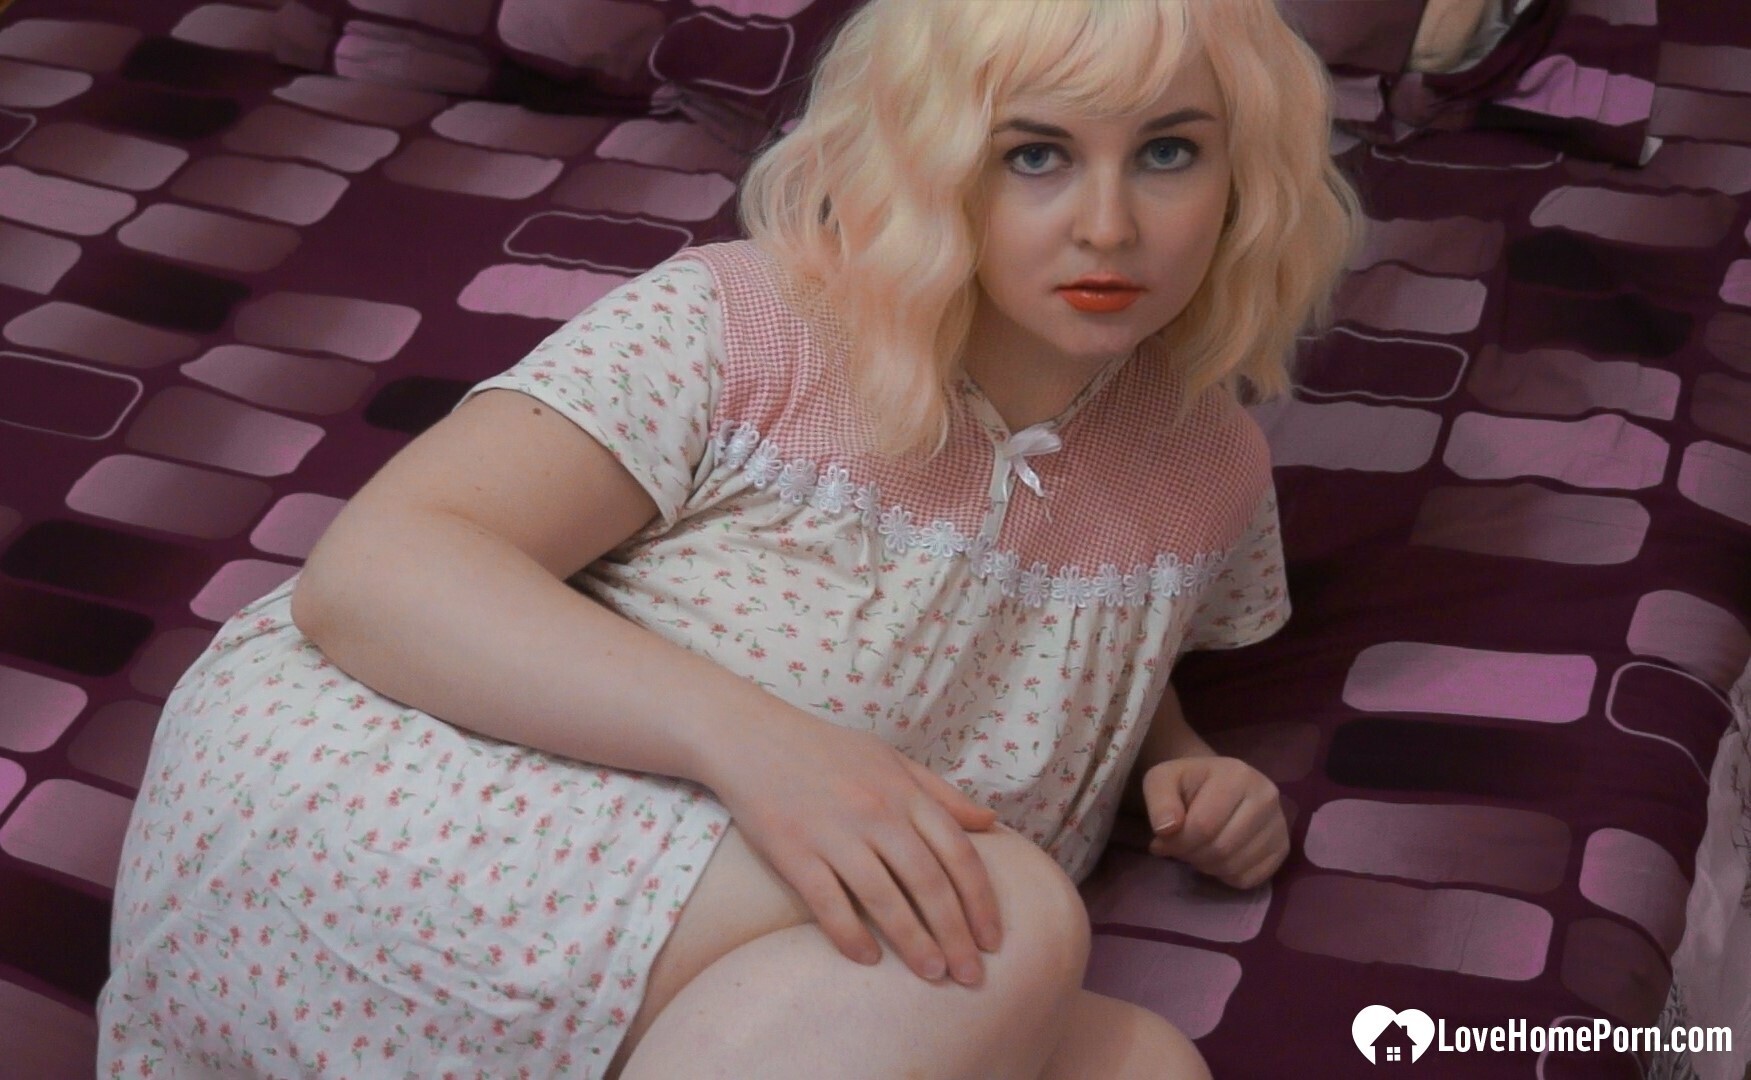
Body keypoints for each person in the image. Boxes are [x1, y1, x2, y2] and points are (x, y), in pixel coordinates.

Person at [99, 0, 1358, 1076]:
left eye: (1167, 152)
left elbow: (1086, 642)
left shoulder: (1209, 462)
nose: (1108, 225)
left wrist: (1175, 765)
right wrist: (764, 748)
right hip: (417, 768)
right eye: (1034, 154)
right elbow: (375, 576)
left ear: (1244, 173)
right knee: (1005, 910)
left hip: (767, 905)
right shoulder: (748, 323)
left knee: (1145, 1066)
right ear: (928, 157)